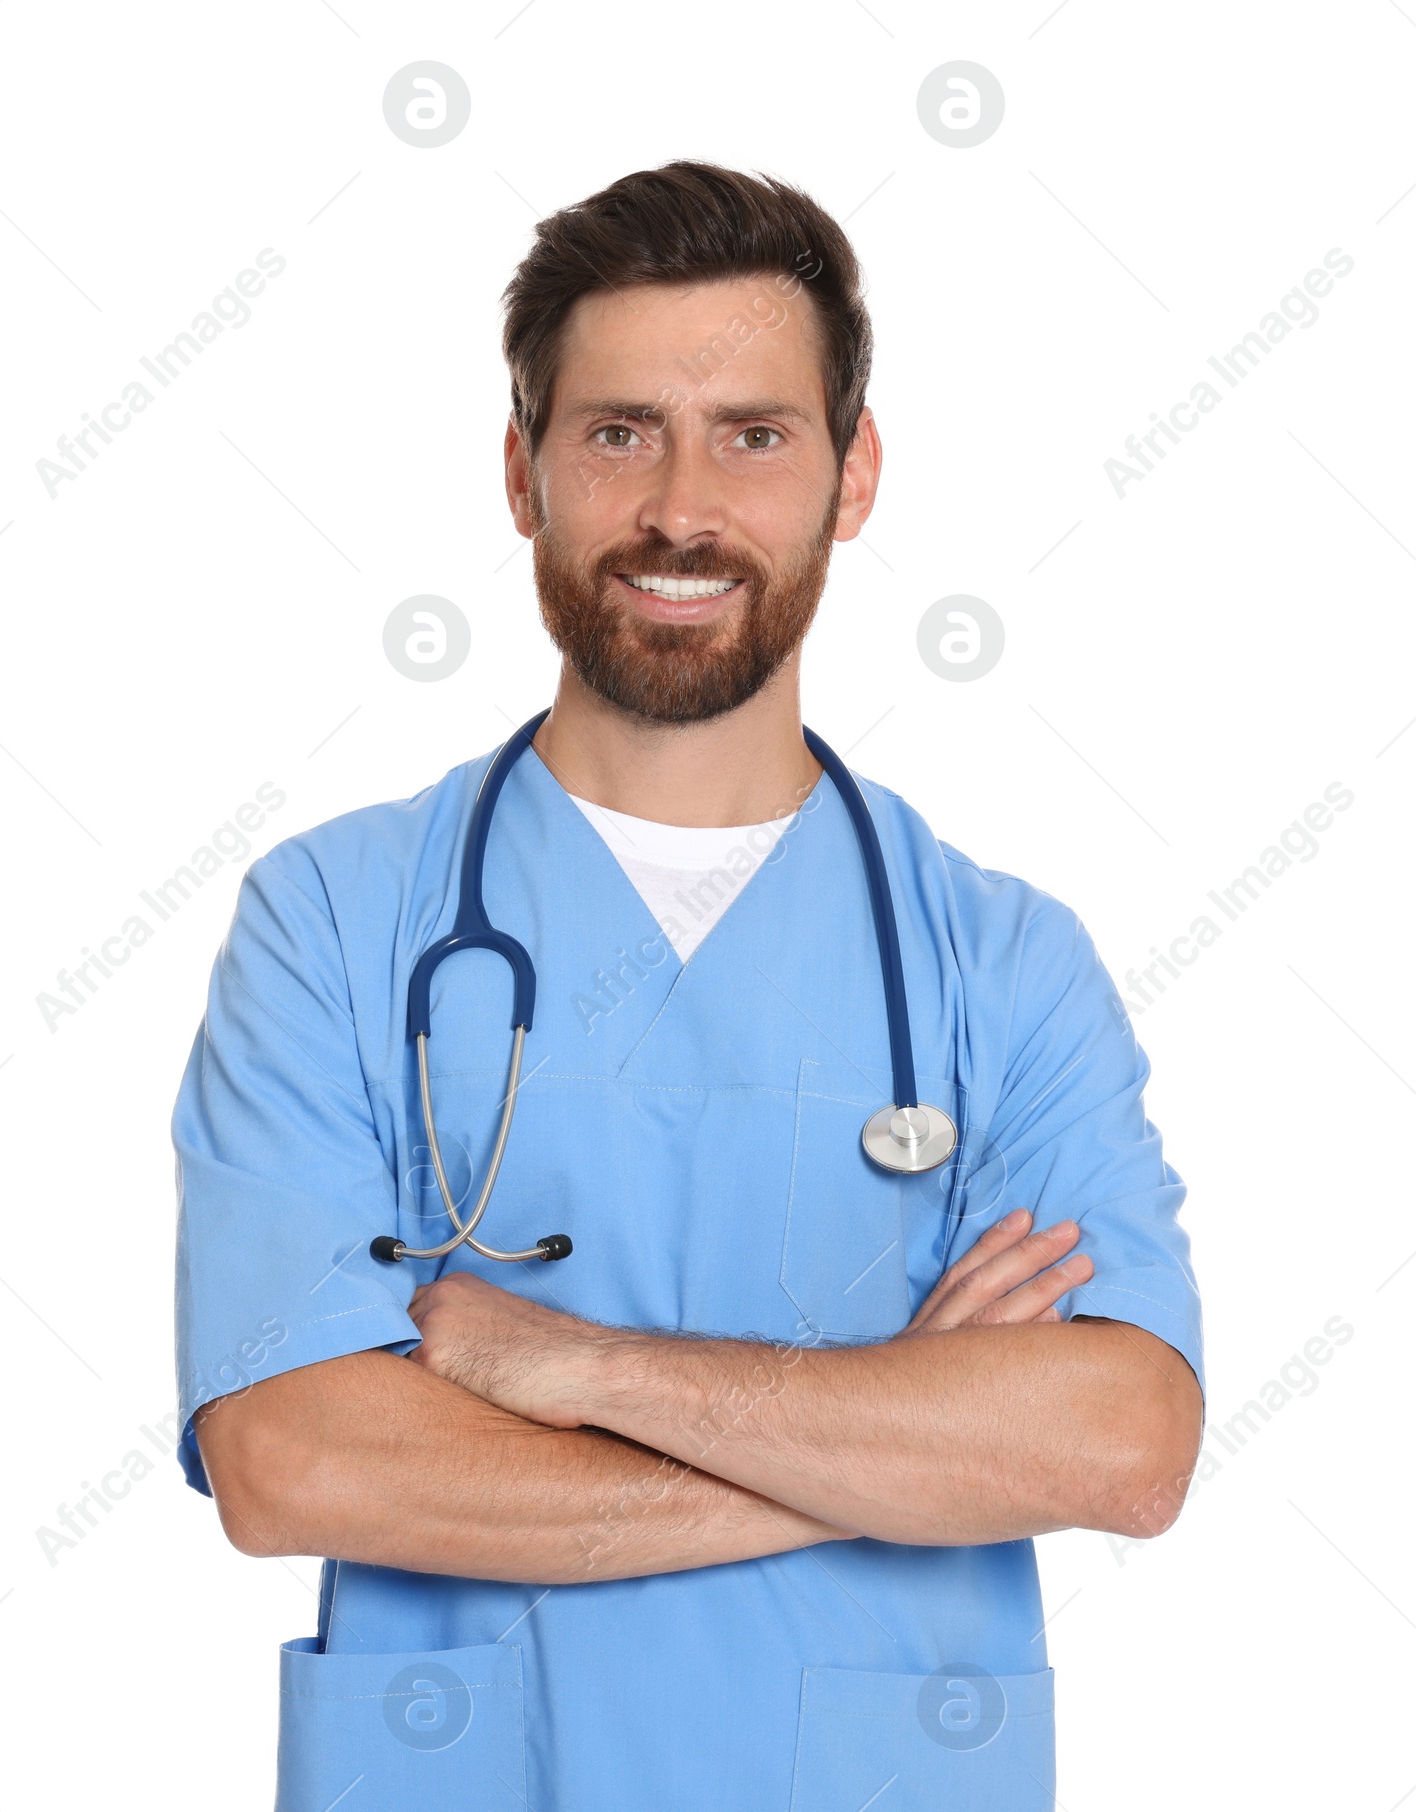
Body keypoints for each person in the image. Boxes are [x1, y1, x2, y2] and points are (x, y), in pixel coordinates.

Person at [172, 159, 1205, 1812]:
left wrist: (574, 1369)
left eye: (755, 433)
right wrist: (896, 1450)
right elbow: (290, 1460)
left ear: (852, 475)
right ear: (522, 474)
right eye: (618, 430)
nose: (679, 506)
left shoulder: (1002, 963)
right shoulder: (334, 922)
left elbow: (1123, 1445)